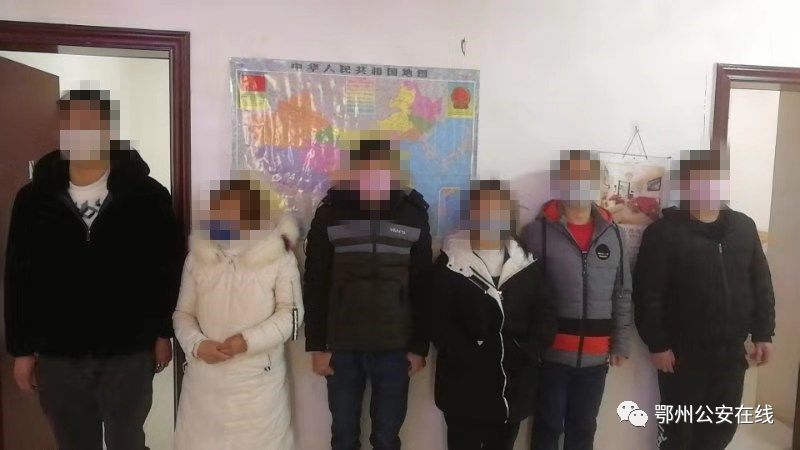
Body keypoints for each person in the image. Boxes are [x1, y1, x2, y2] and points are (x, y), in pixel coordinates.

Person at [4, 89, 181, 450]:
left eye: (91, 122)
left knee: (126, 441)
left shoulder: (148, 195)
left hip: (128, 349)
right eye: (72, 123)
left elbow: (165, 269)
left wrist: (164, 332)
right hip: (58, 352)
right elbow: (18, 276)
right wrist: (21, 350)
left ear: (109, 128)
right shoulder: (33, 198)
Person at [634, 151, 775, 450]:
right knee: (678, 436)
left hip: (730, 355)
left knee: (720, 432)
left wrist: (763, 333)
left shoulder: (744, 227)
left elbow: (761, 284)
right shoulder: (663, 233)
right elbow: (648, 293)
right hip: (681, 357)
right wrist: (657, 344)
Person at [303, 134, 432, 450]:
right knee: (344, 437)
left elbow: (423, 286)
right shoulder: (330, 213)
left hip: (395, 348)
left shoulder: (413, 213)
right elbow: (315, 282)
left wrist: (419, 347)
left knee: (386, 439)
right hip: (342, 347)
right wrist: (317, 345)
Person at [173, 175, 302, 450]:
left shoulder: (278, 255)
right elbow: (183, 313)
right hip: (204, 387)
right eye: (221, 207)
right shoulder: (198, 256)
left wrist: (247, 341)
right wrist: (197, 345)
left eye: (236, 207)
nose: (227, 215)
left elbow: (291, 315)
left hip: (257, 387)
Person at [430, 179, 556, 450]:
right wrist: (472, 353)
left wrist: (526, 350)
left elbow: (545, 315)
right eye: (481, 210)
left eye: (496, 210)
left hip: (514, 385)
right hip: (463, 386)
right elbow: (437, 320)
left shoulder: (526, 262)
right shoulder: (451, 261)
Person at [521, 150, 632, 450]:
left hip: (597, 357)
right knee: (548, 425)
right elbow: (523, 295)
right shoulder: (536, 233)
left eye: (587, 176)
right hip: (550, 354)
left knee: (583, 428)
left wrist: (621, 343)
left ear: (599, 182)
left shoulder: (614, 234)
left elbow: (623, 292)